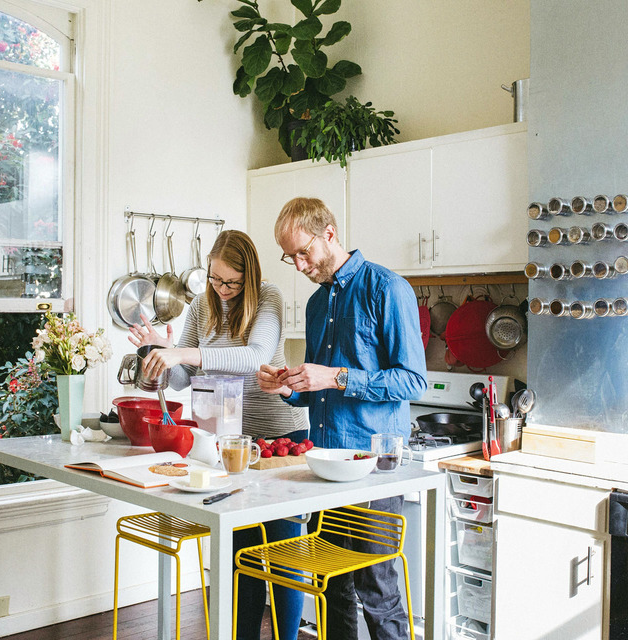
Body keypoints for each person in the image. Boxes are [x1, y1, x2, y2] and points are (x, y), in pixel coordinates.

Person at [256, 197, 427, 640]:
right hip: (325, 463)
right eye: (288, 255)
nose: (296, 264)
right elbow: (319, 393)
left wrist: (336, 376)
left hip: (374, 465)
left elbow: (413, 382)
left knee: (378, 590)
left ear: (328, 233)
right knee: (332, 585)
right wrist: (290, 387)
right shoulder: (315, 306)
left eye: (302, 252)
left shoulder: (387, 288)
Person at [128, 229, 307, 640]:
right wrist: (155, 355)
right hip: (225, 445)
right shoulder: (200, 307)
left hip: (277, 441)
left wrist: (183, 353)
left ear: (250, 276)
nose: (221, 289)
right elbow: (179, 379)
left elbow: (255, 357)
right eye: (214, 278)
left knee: (281, 557)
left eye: (230, 282)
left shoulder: (268, 298)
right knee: (236, 555)